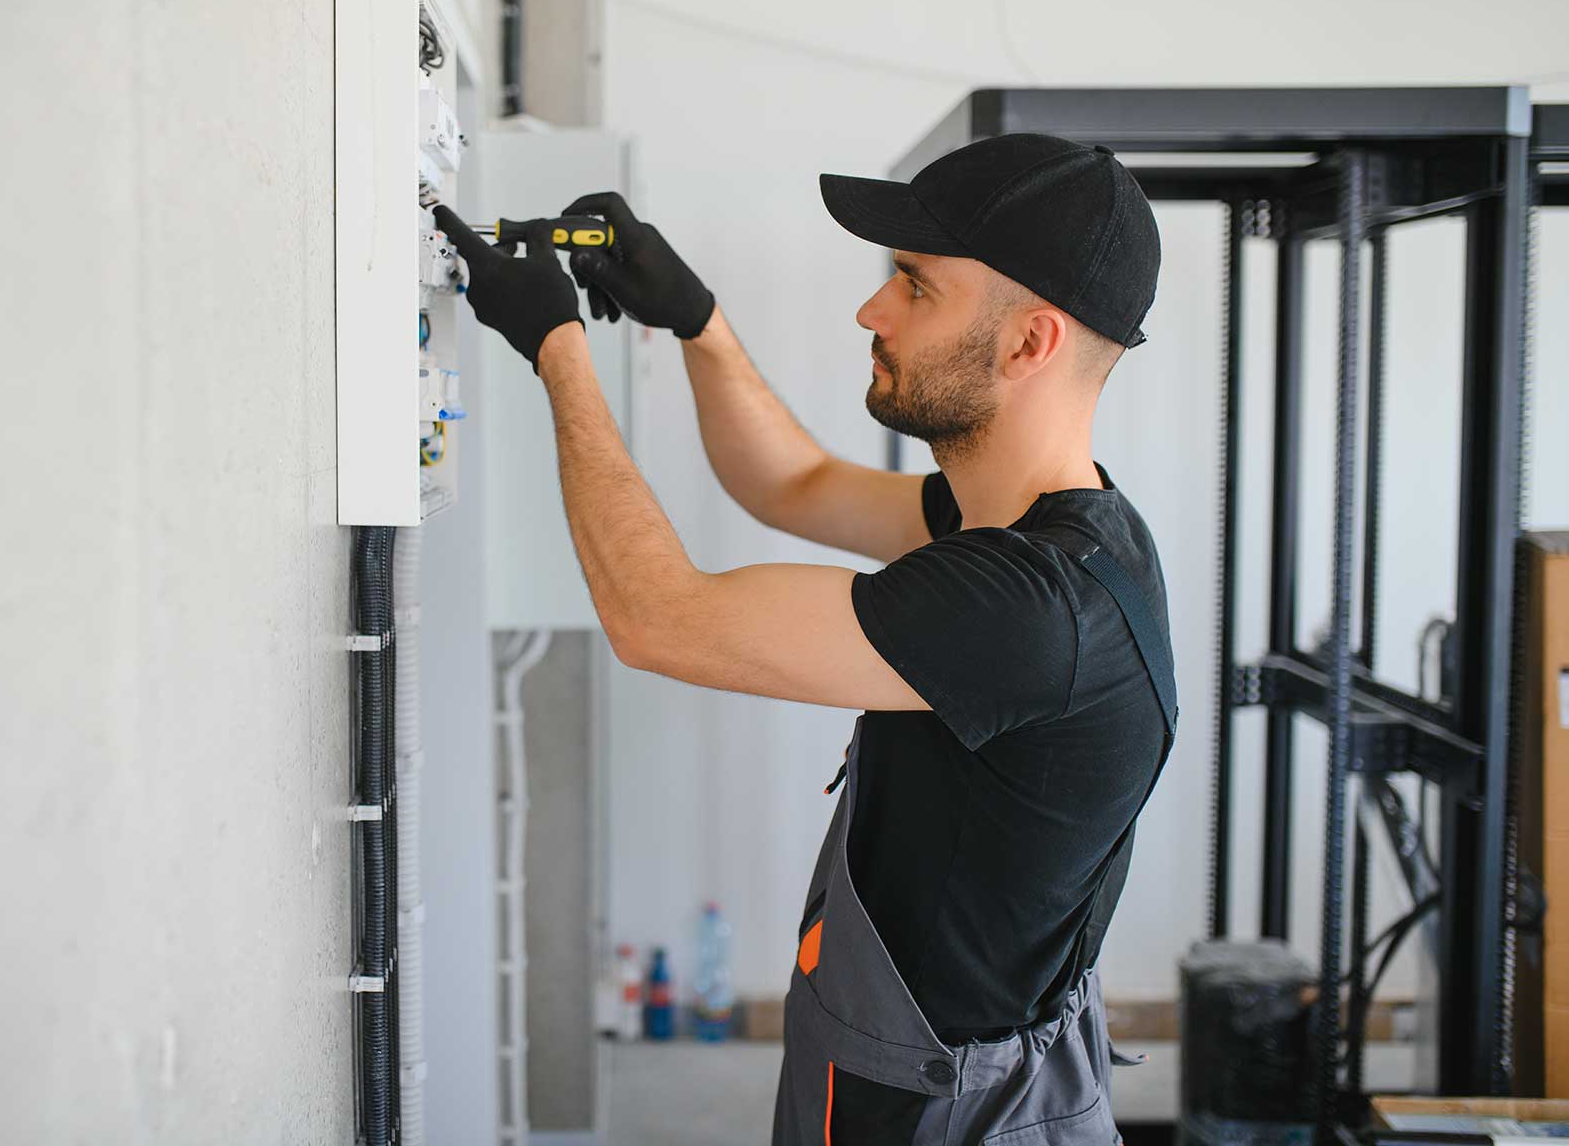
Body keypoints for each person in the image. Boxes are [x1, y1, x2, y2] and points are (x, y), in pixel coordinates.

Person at [431, 131, 1176, 1145]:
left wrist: (558, 350)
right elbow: (794, 484)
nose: (871, 308)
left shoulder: (1026, 607)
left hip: (943, 1109)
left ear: (1028, 342)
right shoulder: (1043, 527)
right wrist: (696, 322)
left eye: (914, 287)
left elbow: (659, 619)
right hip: (911, 1063)